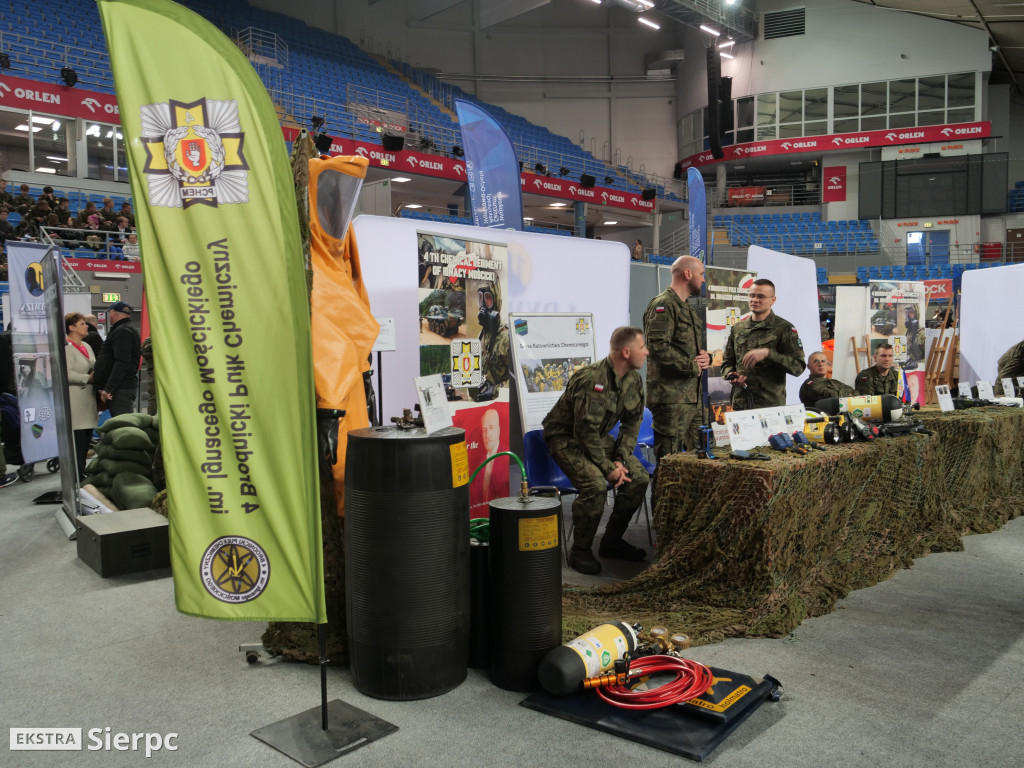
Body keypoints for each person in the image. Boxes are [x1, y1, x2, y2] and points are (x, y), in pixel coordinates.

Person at [542, 326, 650, 575]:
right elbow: (583, 432)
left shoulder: (633, 379)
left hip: (595, 438)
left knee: (639, 478)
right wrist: (608, 468)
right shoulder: (593, 380)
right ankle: (580, 550)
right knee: (595, 486)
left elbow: (633, 421)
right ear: (626, 351)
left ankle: (611, 541)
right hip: (566, 438)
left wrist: (621, 458)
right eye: (641, 347)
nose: (646, 352)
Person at [643, 255, 710, 463]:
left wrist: (705, 357)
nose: (703, 280)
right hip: (670, 400)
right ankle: (663, 497)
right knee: (669, 463)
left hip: (692, 398)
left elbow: (689, 347)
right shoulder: (663, 305)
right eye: (701, 274)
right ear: (687, 273)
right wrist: (690, 366)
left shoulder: (687, 308)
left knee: (700, 458)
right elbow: (656, 347)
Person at [721, 278, 806, 410]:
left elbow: (798, 367)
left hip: (769, 405)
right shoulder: (738, 328)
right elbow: (727, 361)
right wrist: (731, 374)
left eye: (761, 297)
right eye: (752, 295)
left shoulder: (784, 328)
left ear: (773, 300)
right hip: (741, 403)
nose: (755, 300)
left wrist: (768, 354)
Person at [64, 312, 97, 479]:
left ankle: (81, 472)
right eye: (82, 323)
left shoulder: (87, 346)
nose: (86, 326)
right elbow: (65, 373)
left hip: (89, 400)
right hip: (75, 400)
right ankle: (76, 475)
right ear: (71, 327)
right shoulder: (66, 348)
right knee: (77, 441)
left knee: (86, 440)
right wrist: (87, 378)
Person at [94, 301, 141, 416]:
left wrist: (109, 388)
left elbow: (121, 362)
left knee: (124, 425)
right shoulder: (124, 329)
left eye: (109, 313)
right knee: (122, 424)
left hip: (120, 389)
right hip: (121, 387)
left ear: (113, 312)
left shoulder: (122, 331)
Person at [475, 279, 509, 402]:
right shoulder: (482, 335)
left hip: (503, 407)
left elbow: (519, 381)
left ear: (496, 301)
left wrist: (495, 391)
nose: (483, 305)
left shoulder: (506, 337)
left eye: (488, 298)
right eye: (480, 298)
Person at [470, 407, 505, 511]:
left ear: (498, 429)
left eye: (491, 428)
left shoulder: (506, 457)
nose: (487, 435)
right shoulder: (481, 464)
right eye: (484, 430)